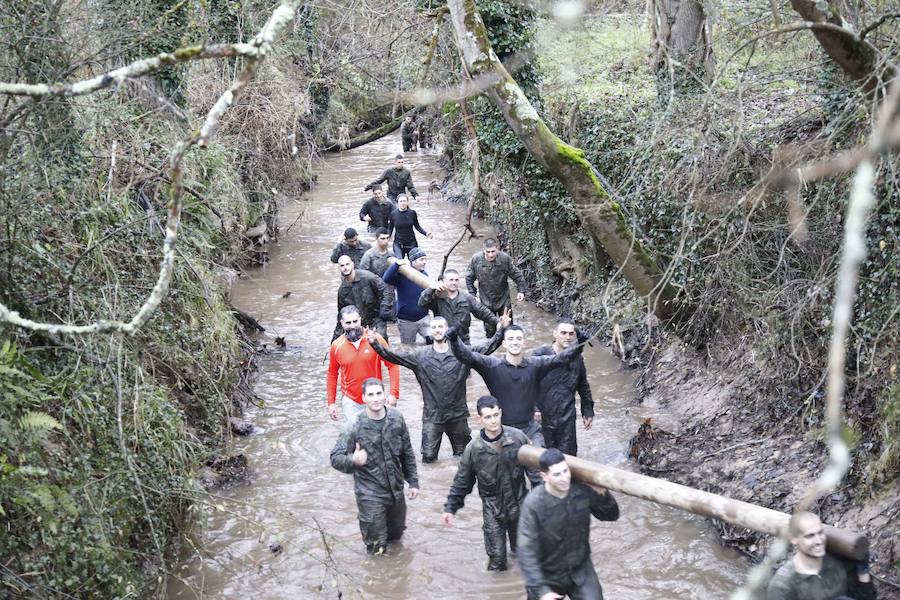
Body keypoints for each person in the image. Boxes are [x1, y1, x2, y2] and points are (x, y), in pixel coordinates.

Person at [449, 324, 587, 483]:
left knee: (541, 475)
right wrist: (454, 339)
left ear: (524, 343)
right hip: (502, 432)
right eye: (511, 339)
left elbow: (561, 358)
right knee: (505, 481)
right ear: (504, 343)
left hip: (530, 430)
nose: (515, 342)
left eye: (519, 339)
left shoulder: (535, 365)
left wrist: (580, 344)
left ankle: (539, 504)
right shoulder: (492, 366)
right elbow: (467, 356)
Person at [368, 315, 508, 462]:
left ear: (447, 329)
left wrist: (502, 330)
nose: (437, 330)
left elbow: (487, 347)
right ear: (430, 331)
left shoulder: (462, 352)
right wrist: (374, 343)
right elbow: (393, 356)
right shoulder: (420, 356)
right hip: (432, 417)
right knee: (428, 459)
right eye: (434, 327)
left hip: (458, 415)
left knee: (464, 457)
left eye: (440, 327)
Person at [330, 378, 419, 555]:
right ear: (363, 398)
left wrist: (414, 482)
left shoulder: (396, 418)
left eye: (379, 393)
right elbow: (335, 458)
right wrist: (353, 460)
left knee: (396, 540)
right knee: (377, 548)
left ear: (384, 395)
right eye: (370, 395)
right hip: (369, 495)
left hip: (395, 491)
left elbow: (407, 452)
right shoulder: (354, 426)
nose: (375, 398)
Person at [442, 395, 531, 571]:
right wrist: (450, 508)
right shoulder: (474, 449)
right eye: (488, 417)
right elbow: (462, 482)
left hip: (520, 506)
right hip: (493, 510)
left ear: (501, 413)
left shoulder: (518, 438)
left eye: (496, 415)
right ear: (479, 419)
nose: (493, 421)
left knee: (525, 556)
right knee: (497, 562)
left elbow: (536, 471)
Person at [517, 448, 619, 600]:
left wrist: (602, 493)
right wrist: (542, 590)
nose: (564, 478)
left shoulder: (582, 490)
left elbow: (611, 516)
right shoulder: (534, 504)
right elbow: (526, 551)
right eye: (557, 474)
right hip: (547, 573)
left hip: (580, 568)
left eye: (566, 471)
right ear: (544, 476)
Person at [767, 511, 876, 600]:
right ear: (794, 539)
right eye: (810, 536)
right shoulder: (783, 586)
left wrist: (863, 571)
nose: (819, 541)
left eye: (820, 533)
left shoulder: (837, 562)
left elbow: (866, 597)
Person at [326, 306, 400, 427]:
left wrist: (393, 394)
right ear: (342, 323)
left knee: (379, 434)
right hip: (351, 400)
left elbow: (392, 364)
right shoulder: (337, 346)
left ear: (360, 320)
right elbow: (332, 374)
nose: (353, 326)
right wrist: (331, 403)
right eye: (348, 323)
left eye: (355, 321)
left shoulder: (375, 339)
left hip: (375, 397)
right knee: (359, 436)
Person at [531, 318, 594, 456]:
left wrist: (588, 411)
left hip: (567, 416)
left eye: (571, 334)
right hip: (542, 416)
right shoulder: (539, 355)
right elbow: (528, 384)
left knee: (568, 458)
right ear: (555, 334)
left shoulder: (577, 358)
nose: (567, 337)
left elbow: (583, 386)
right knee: (544, 459)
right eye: (563, 333)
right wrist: (533, 408)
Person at [465, 238, 528, 337]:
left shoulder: (504, 259)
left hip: (503, 299)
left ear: (497, 249)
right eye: (488, 252)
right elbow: (469, 278)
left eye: (493, 251)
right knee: (490, 331)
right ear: (484, 250)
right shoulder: (476, 260)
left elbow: (516, 275)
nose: (490, 255)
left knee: (508, 329)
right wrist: (473, 294)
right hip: (486, 300)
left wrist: (521, 290)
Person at [418, 268, 498, 344]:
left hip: (463, 341)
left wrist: (498, 322)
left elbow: (482, 312)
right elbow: (422, 304)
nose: (454, 283)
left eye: (456, 280)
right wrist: (431, 289)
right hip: (443, 340)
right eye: (451, 280)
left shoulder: (467, 297)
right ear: (444, 281)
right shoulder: (437, 298)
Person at [334, 255, 392, 340]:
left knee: (380, 340)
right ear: (339, 268)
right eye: (342, 266)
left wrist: (385, 308)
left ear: (352, 264)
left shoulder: (368, 277)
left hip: (376, 319)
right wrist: (335, 339)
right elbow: (341, 315)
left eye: (347, 264)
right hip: (358, 323)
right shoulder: (342, 290)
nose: (345, 268)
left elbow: (386, 290)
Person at [383, 248, 431, 345]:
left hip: (424, 318)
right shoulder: (402, 275)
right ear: (413, 262)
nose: (424, 262)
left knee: (433, 340)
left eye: (425, 259)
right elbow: (386, 278)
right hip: (406, 321)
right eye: (421, 259)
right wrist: (397, 264)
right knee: (408, 348)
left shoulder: (425, 275)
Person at [388, 194, 432, 259]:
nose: (403, 203)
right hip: (398, 244)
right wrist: (387, 239)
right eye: (401, 201)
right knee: (400, 262)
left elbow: (417, 227)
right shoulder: (393, 214)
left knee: (414, 263)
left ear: (408, 202)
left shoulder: (412, 213)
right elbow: (390, 229)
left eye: (404, 201)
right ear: (398, 203)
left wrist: (426, 233)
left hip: (411, 243)